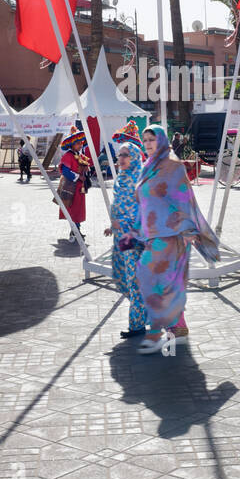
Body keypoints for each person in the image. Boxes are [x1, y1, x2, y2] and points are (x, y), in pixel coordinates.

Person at [119, 124, 219, 355]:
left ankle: (173, 331)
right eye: (145, 141)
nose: (148, 144)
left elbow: (183, 199)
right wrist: (133, 231)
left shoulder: (173, 166)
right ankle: (176, 329)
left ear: (162, 140)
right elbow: (142, 202)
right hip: (151, 237)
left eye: (152, 140)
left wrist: (186, 232)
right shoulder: (147, 167)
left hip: (172, 236)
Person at [104, 139, 148, 338]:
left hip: (135, 236)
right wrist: (112, 225)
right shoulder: (122, 178)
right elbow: (121, 206)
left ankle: (137, 325)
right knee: (126, 278)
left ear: (135, 157)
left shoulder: (140, 180)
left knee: (134, 280)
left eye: (125, 155)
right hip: (123, 236)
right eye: (119, 155)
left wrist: (125, 223)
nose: (120, 159)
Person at [58, 128, 89, 241]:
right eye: (77, 143)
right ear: (71, 145)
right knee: (73, 209)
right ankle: (74, 231)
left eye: (81, 143)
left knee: (79, 209)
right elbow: (65, 171)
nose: (80, 145)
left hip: (80, 188)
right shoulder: (68, 156)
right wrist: (78, 177)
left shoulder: (79, 155)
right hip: (71, 188)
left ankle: (76, 230)